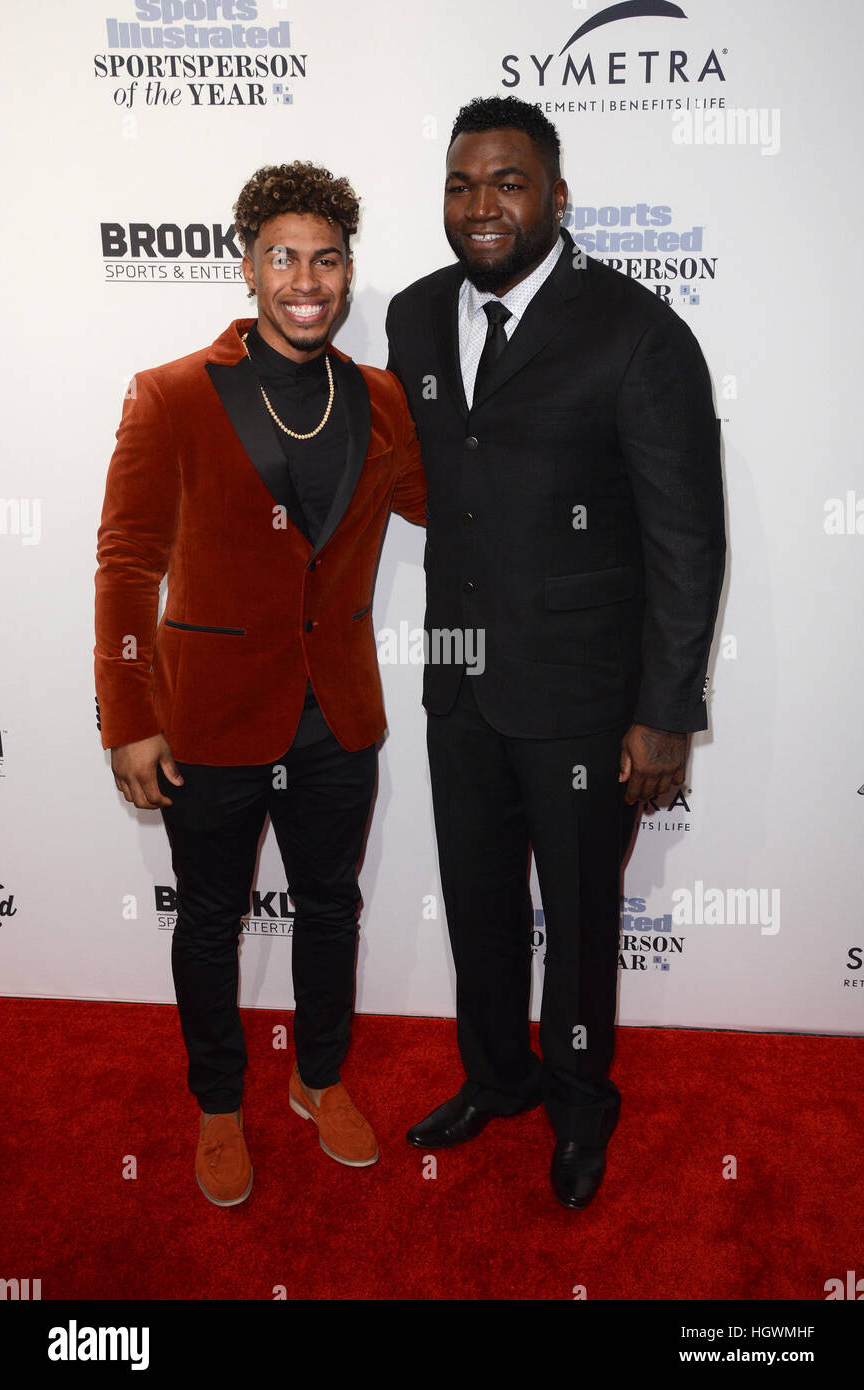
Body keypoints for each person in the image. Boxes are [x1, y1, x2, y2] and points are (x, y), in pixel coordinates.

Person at [386, 96, 725, 1209]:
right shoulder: (415, 315)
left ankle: (581, 1103)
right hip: (459, 682)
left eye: (506, 181)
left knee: (579, 923)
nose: (480, 205)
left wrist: (664, 710)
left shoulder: (637, 331)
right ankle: (496, 1079)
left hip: (586, 700)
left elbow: (685, 536)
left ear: (557, 196)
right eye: (460, 183)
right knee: (477, 904)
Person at [95, 161, 426, 1207]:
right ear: (247, 267)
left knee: (331, 908)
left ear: (346, 271)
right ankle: (218, 1103)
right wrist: (130, 717)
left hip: (338, 712)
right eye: (283, 255)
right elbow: (124, 564)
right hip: (208, 713)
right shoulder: (173, 394)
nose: (306, 277)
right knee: (208, 919)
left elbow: (447, 503)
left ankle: (317, 1079)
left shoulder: (376, 399)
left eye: (326, 257)